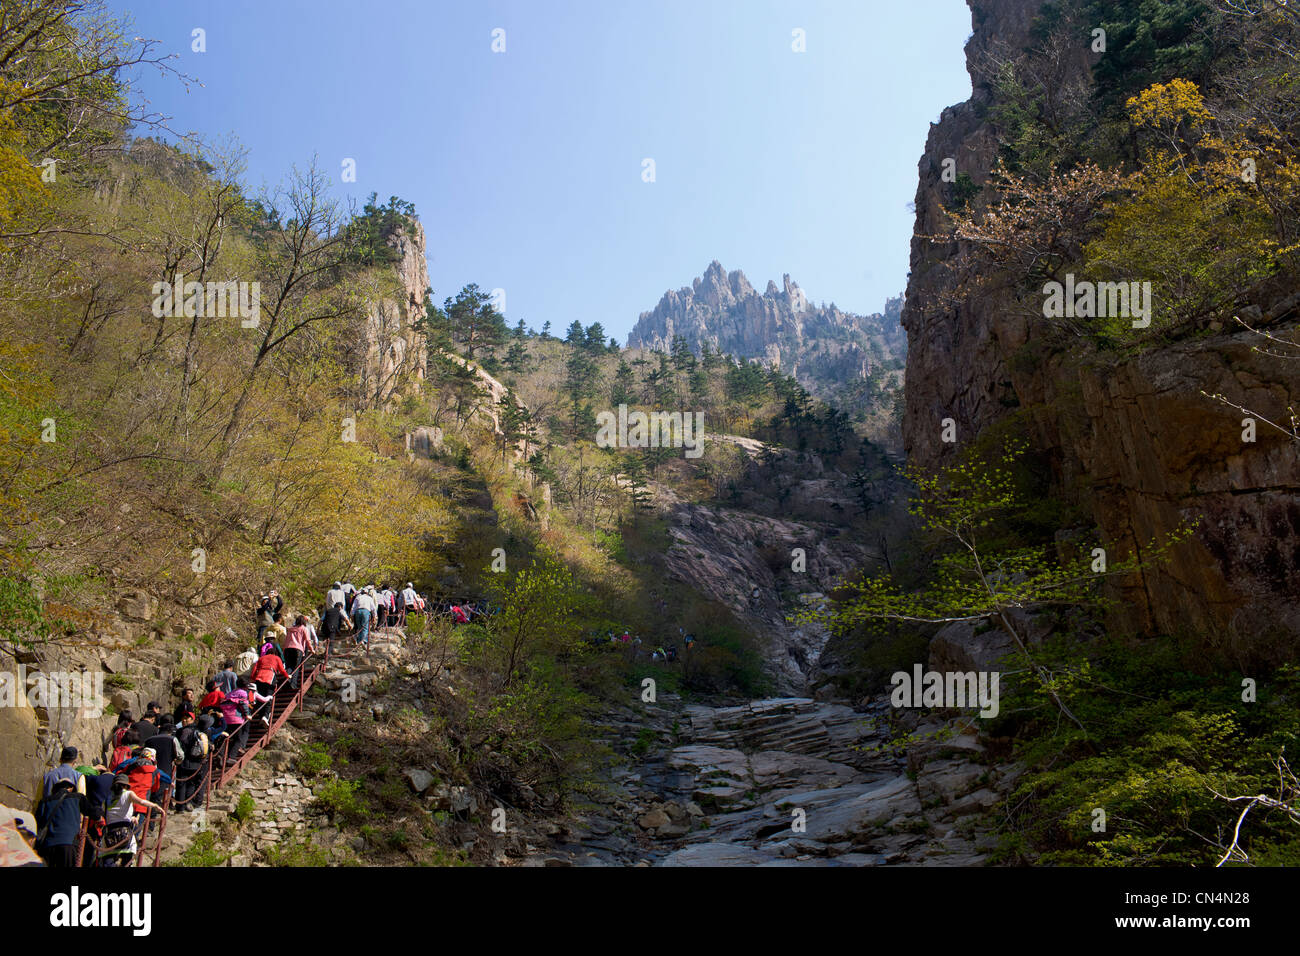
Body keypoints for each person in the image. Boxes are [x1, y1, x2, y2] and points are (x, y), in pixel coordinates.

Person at [98, 774, 162, 867]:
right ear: (126, 785)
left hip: (110, 835)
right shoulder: (128, 794)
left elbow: (108, 815)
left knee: (108, 860)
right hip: (125, 833)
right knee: (127, 860)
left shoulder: (107, 799)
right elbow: (141, 802)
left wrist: (129, 818)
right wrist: (155, 806)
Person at [34, 778, 96, 867]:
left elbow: (38, 824)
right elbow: (92, 812)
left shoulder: (45, 801)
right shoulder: (77, 797)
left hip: (48, 846)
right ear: (70, 788)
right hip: (69, 843)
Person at [174, 715, 211, 810]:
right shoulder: (200, 733)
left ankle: (180, 806)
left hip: (184, 761)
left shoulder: (184, 732)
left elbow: (181, 745)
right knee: (192, 783)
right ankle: (188, 803)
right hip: (197, 762)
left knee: (181, 784)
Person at [282, 615, 312, 687]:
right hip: (298, 649)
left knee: (289, 666)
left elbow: (286, 639)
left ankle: (287, 680)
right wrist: (312, 649)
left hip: (287, 649)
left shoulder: (290, 629)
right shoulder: (304, 629)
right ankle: (293, 684)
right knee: (296, 667)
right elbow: (308, 640)